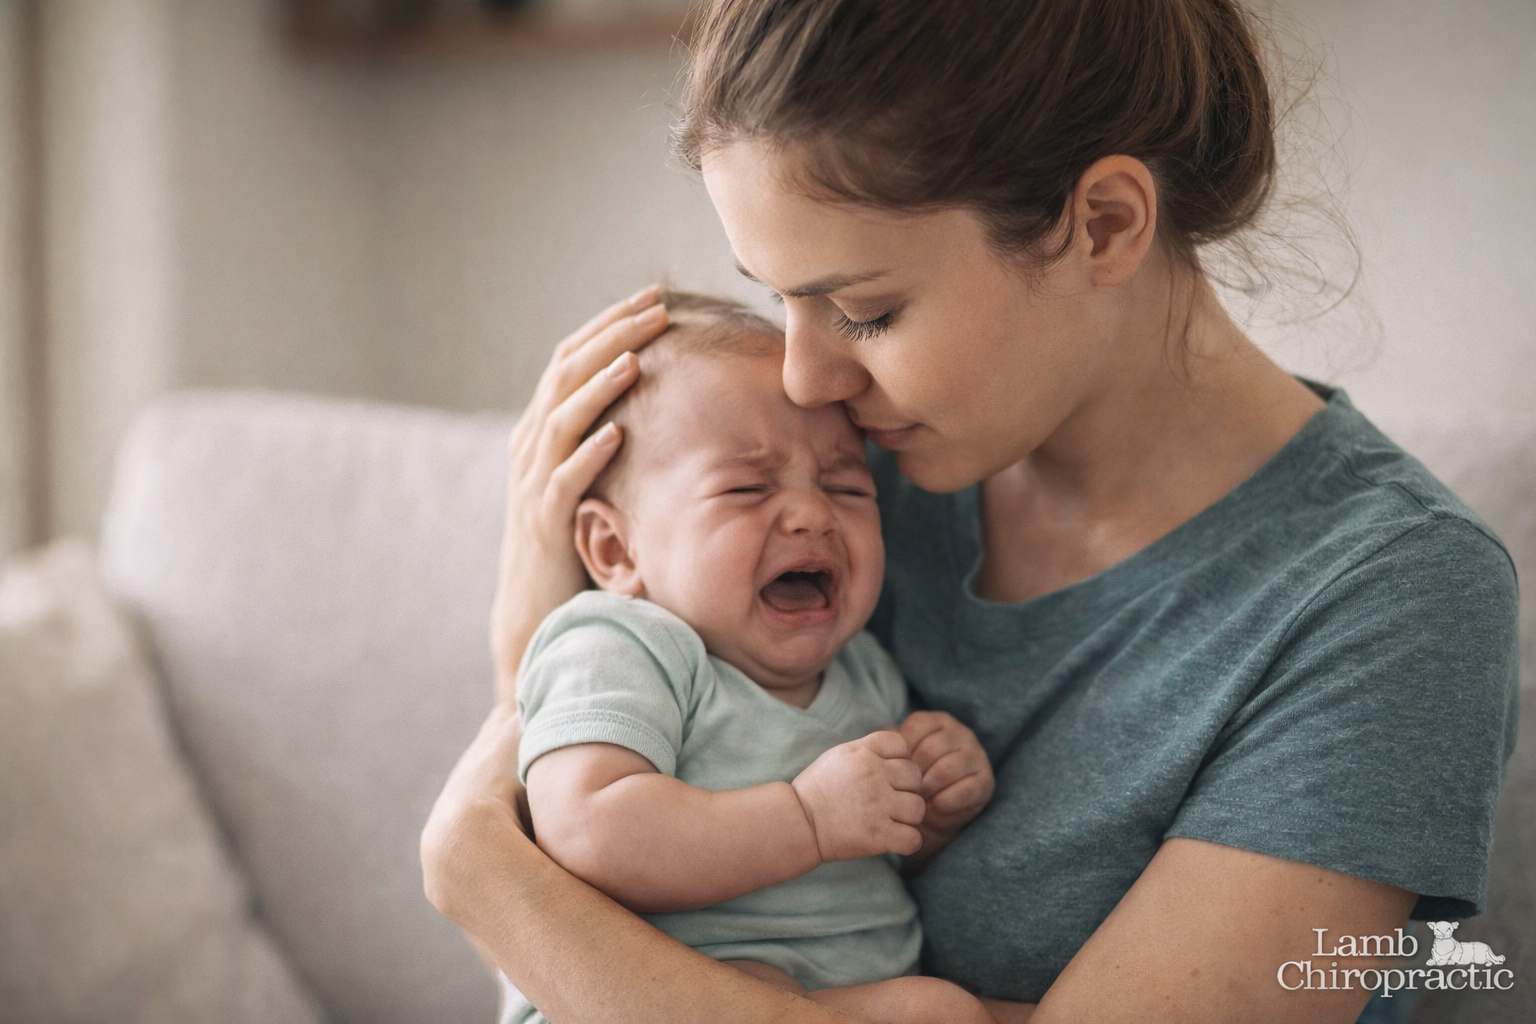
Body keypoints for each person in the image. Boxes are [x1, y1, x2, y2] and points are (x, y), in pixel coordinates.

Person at [421, 2, 1521, 1022]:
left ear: (1102, 224)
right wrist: (531, 622)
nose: (805, 381)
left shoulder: (1389, 596)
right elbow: (563, 975)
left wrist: (480, 872)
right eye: (777, 298)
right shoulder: (830, 482)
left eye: (865, 308)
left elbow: (551, 932)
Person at [499, 292, 995, 1024]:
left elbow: (870, 852)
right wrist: (805, 819)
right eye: (746, 487)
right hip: (654, 996)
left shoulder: (863, 670)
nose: (811, 514)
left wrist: (927, 812)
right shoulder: (623, 644)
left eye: (846, 486)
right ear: (615, 549)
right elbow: (587, 829)